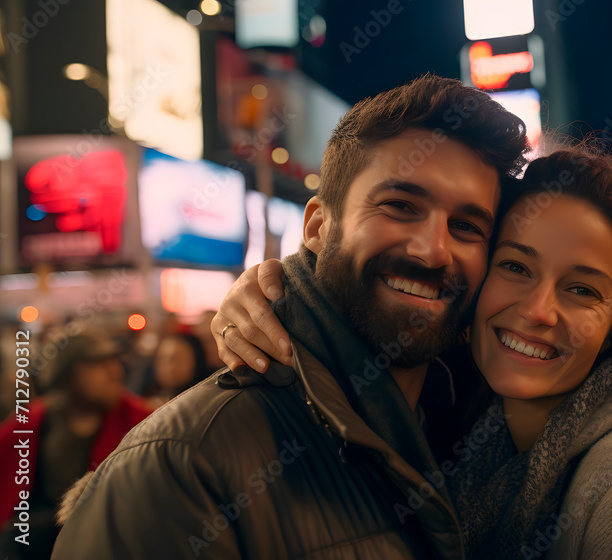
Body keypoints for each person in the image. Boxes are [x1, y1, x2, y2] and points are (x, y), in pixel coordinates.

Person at [218, 148, 612, 558]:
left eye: (582, 289)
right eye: (515, 267)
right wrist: (282, 294)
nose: (539, 310)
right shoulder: (457, 421)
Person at [53, 74, 530, 559]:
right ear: (318, 228)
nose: (433, 251)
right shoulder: (181, 465)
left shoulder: (481, 423)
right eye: (400, 206)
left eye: (467, 226)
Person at [0, 330, 151, 560]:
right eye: (98, 364)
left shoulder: (141, 422)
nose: (115, 372)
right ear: (68, 375)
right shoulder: (31, 423)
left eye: (114, 361)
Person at [143, 333, 210, 409]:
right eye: (162, 359)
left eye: (178, 359)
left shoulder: (207, 402)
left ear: (197, 361)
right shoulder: (151, 401)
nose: (170, 367)